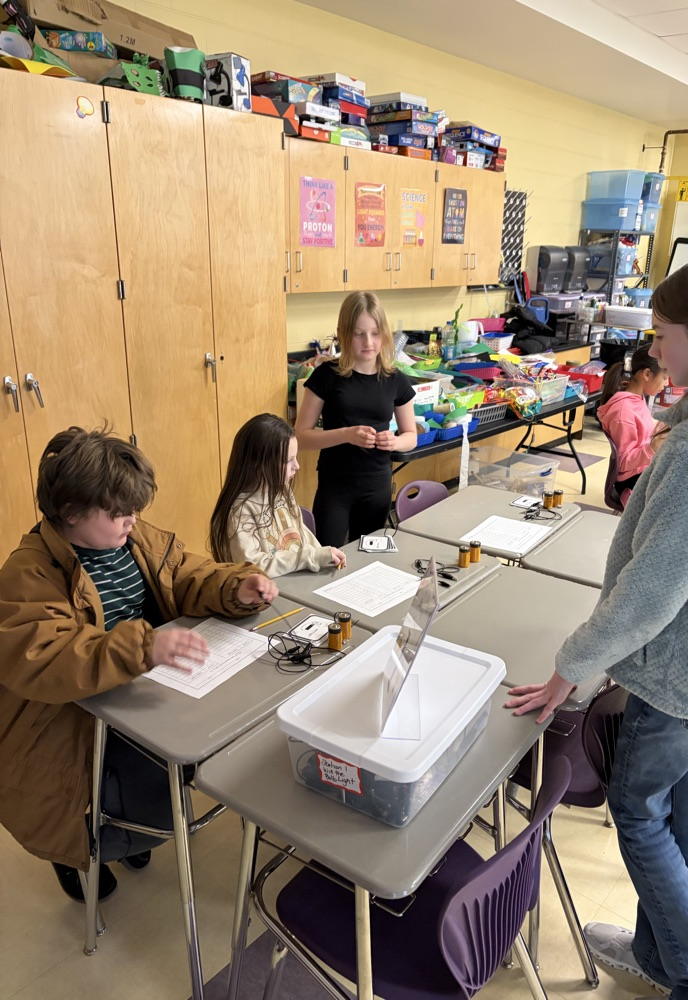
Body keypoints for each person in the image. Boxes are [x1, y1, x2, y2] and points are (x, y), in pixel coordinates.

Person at [505, 250, 688, 1000]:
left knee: (639, 815)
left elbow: (652, 592)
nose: (653, 349)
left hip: (681, 673)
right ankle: (663, 957)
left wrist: (571, 667)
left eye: (663, 334)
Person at [0, 427, 278, 903]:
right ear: (71, 512)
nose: (132, 520)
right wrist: (142, 649)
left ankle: (132, 831)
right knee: (123, 803)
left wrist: (235, 586)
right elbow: (47, 656)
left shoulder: (133, 539)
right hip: (65, 720)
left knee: (177, 769)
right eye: (119, 512)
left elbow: (187, 574)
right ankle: (80, 849)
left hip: (138, 692)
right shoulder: (28, 572)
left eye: (134, 509)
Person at [295, 291, 417, 547]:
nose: (368, 342)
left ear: (385, 334)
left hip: (377, 483)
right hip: (335, 485)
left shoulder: (396, 379)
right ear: (343, 333)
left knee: (368, 556)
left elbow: (411, 436)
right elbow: (301, 437)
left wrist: (394, 442)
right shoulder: (326, 376)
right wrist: (346, 434)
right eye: (359, 334)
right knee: (328, 556)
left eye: (375, 333)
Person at [209, 412, 347, 576]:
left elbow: (300, 535)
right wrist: (312, 556)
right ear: (258, 464)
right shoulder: (239, 511)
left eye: (295, 457)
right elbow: (252, 568)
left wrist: (324, 554)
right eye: (288, 460)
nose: (297, 466)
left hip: (295, 580)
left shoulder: (281, 488)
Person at [597, 343, 668, 498]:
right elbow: (623, 463)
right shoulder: (623, 411)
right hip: (630, 480)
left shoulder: (637, 399)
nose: (667, 383)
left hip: (641, 469)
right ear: (647, 374)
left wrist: (660, 429)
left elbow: (641, 436)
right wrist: (652, 447)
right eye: (664, 378)